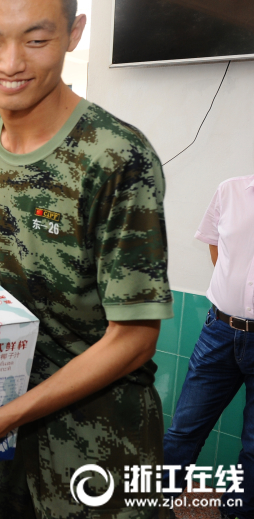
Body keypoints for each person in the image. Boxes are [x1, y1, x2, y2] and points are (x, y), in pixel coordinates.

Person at [0, 0, 173, 517]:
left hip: (101, 443)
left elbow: (134, 336)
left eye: (36, 39)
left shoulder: (116, 157)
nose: (10, 63)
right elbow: (27, 242)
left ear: (74, 33)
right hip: (7, 413)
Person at [163, 174, 254, 518]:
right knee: (183, 430)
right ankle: (155, 509)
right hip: (220, 332)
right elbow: (217, 249)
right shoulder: (230, 191)